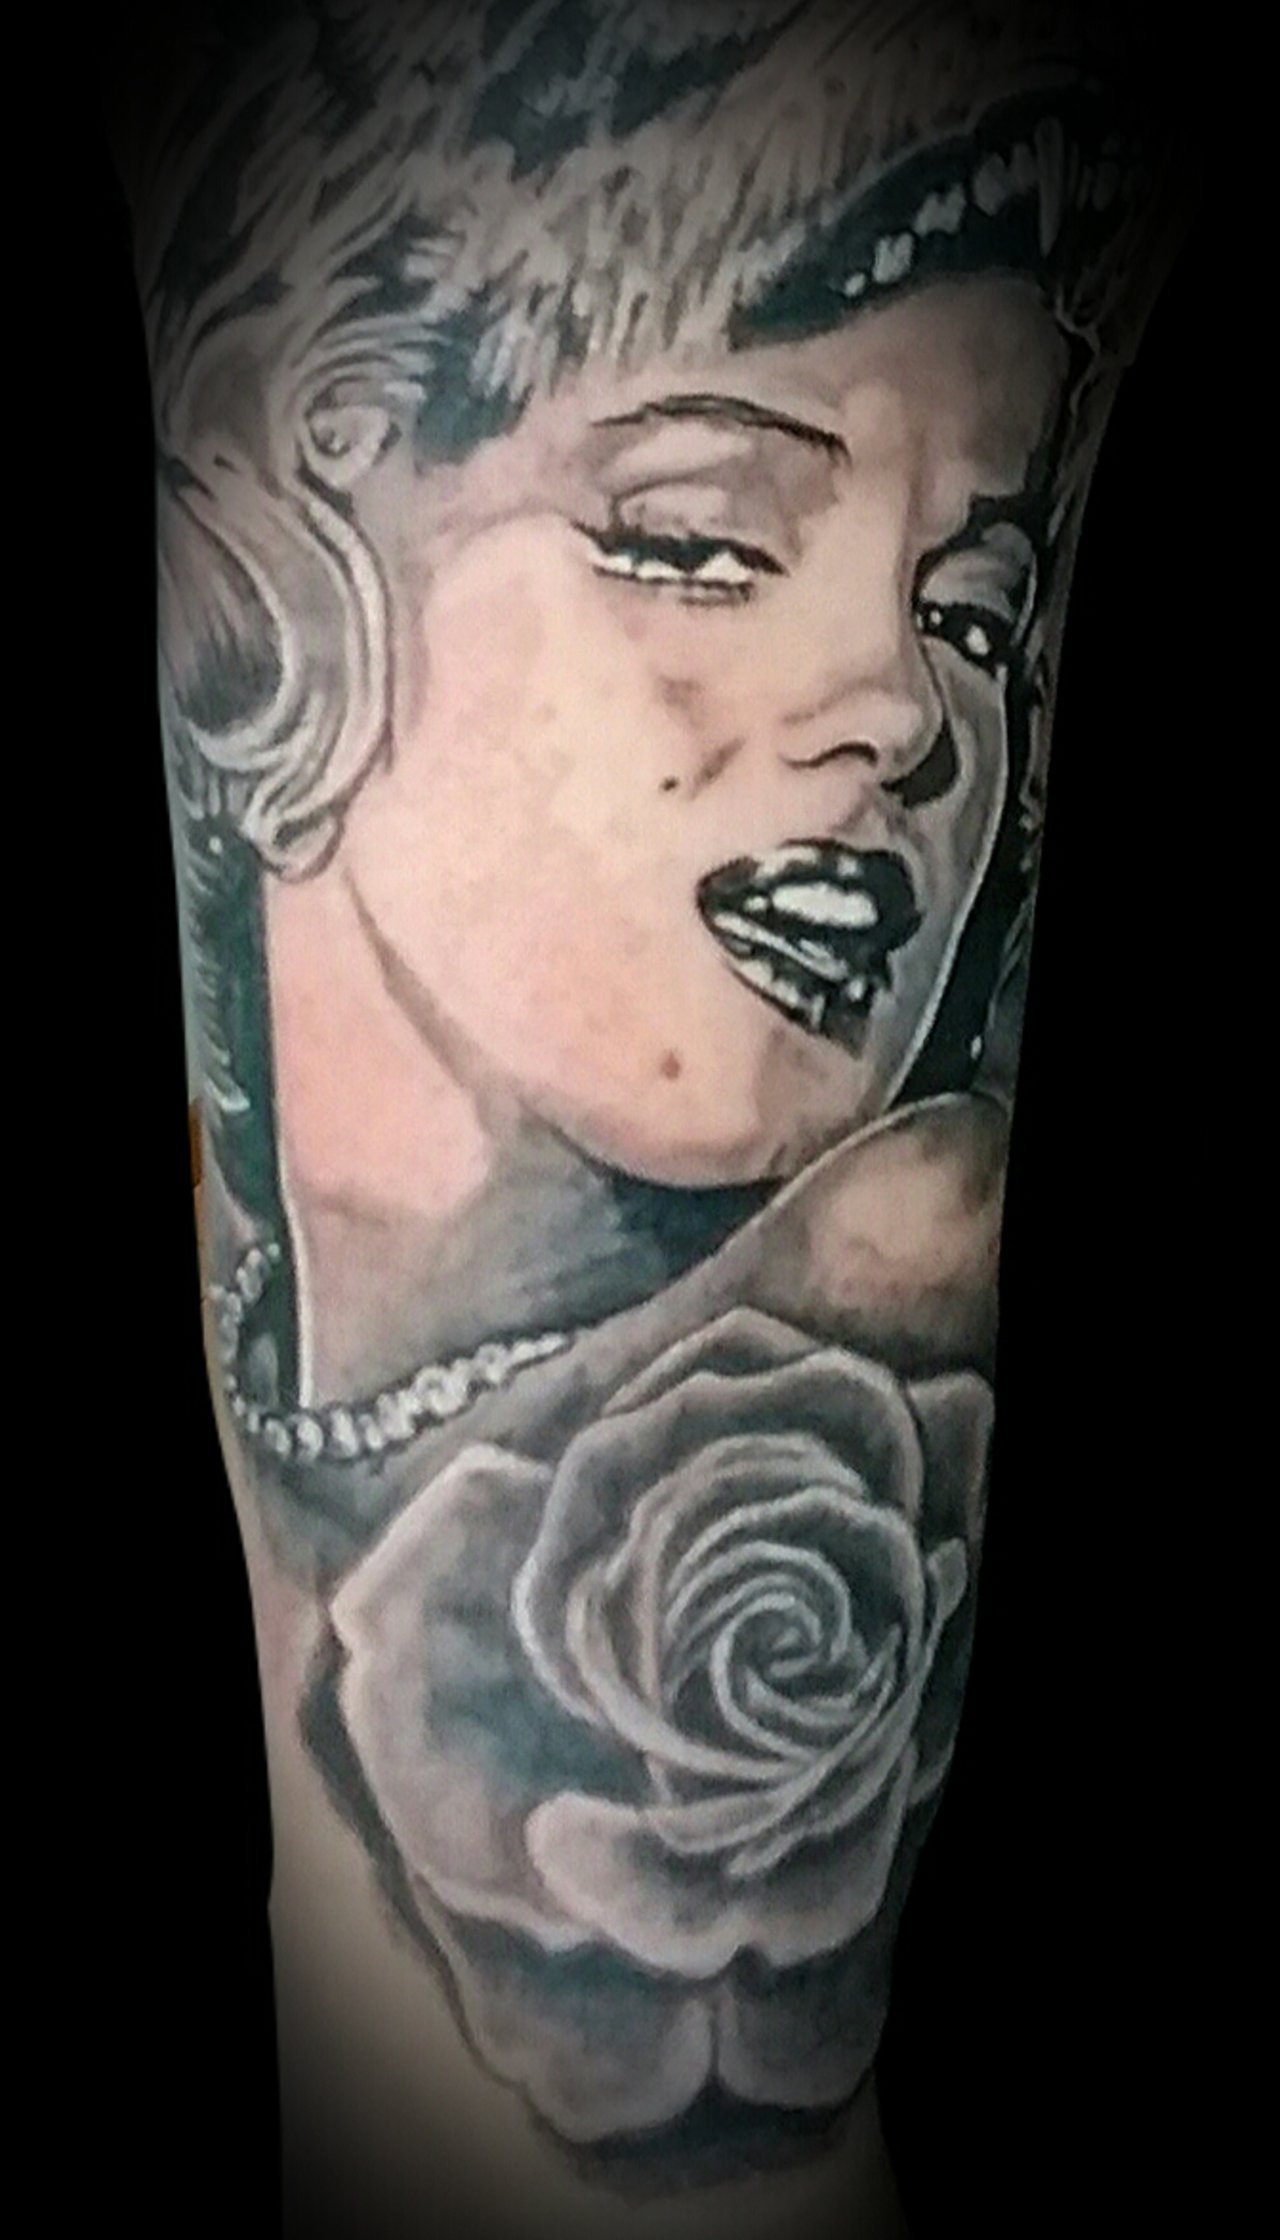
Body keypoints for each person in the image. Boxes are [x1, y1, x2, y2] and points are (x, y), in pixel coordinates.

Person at [105, 3, 1191, 2233]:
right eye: (699, 543)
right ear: (299, 574)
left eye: (973, 609)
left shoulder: (860, 1289)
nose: (903, 706)